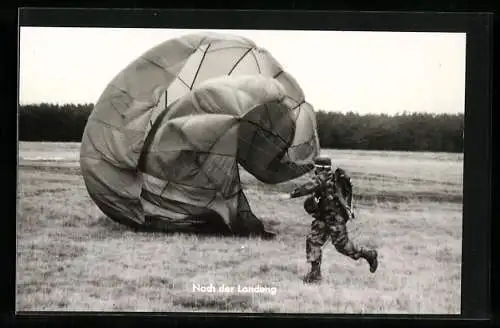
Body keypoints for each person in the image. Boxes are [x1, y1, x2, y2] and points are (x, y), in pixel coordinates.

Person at [289, 156, 378, 283]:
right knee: (313, 240)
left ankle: (369, 255)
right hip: (323, 218)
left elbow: (308, 187)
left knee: (344, 247)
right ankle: (315, 275)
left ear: (320, 168)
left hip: (335, 220)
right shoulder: (327, 178)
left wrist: (292, 194)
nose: (315, 170)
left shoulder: (324, 177)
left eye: (316, 168)